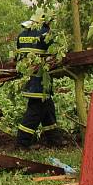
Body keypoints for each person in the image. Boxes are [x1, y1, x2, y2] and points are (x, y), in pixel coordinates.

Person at [15, 9, 62, 148]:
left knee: (48, 110)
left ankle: (54, 140)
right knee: (34, 113)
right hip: (40, 82)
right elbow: (56, 53)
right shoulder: (45, 34)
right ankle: (22, 143)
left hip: (28, 80)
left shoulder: (22, 35)